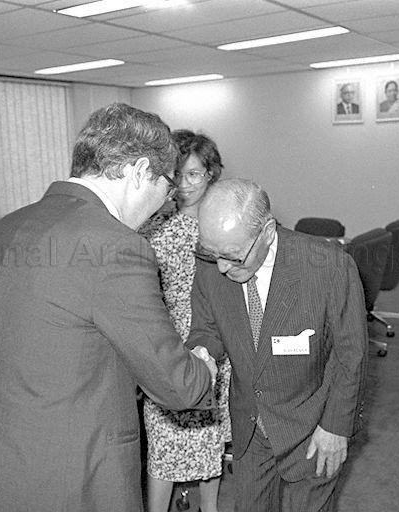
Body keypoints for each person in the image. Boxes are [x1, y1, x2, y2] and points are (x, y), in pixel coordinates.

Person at [0, 103, 217, 512]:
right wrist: (203, 366)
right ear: (138, 172)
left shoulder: (6, 227)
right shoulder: (116, 246)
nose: (166, 204)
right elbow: (176, 385)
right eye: (167, 187)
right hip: (58, 478)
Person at [186, 178, 368, 512]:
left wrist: (335, 427)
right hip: (250, 424)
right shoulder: (211, 261)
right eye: (213, 255)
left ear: (268, 232)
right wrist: (202, 351)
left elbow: (351, 356)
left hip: (312, 425)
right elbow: (206, 328)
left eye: (233, 257)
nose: (222, 268)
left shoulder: (328, 265)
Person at [142, 130, 232, 512]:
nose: (183, 184)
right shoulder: (152, 225)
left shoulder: (225, 223)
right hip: (165, 342)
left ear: (211, 174)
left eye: (194, 174)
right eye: (177, 174)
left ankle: (208, 508)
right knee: (163, 436)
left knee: (209, 435)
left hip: (212, 338)